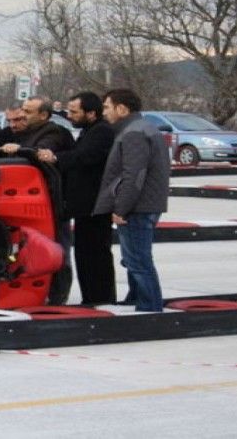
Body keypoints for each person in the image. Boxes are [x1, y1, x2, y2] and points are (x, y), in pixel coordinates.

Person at [94, 88, 170, 312]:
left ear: (122, 109)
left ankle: (150, 307)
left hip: (138, 207)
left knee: (138, 260)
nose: (104, 112)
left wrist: (121, 208)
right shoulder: (141, 128)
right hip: (144, 205)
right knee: (133, 259)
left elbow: (134, 176)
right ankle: (135, 299)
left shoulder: (134, 133)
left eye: (107, 107)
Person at [37, 92, 116, 305]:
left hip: (96, 205)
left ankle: (101, 299)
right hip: (84, 206)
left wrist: (56, 157)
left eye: (74, 112)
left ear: (91, 113)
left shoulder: (102, 132)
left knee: (95, 255)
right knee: (84, 255)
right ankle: (91, 297)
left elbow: (85, 156)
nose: (70, 115)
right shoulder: (89, 130)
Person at [1, 95, 75, 304]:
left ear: (43, 115)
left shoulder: (54, 132)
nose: (23, 115)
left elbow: (41, 151)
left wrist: (20, 151)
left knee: (56, 249)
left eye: (28, 112)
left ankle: (58, 297)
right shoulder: (23, 133)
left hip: (52, 203)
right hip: (29, 201)